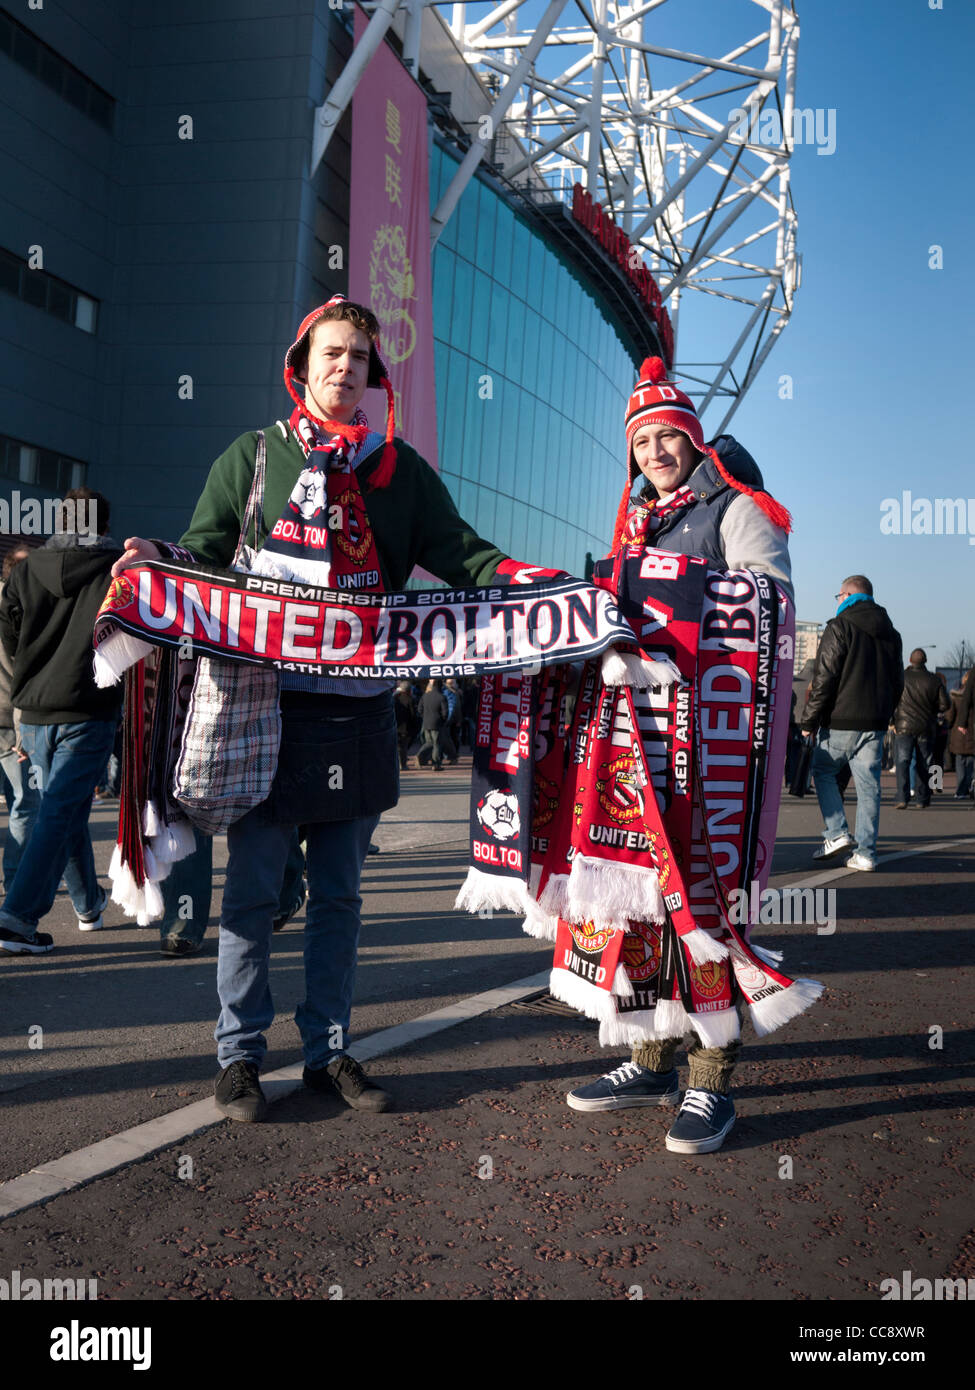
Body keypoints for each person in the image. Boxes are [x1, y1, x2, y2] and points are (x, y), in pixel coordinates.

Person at [112, 296, 518, 1121]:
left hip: (359, 712)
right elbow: (204, 547)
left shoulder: (398, 470)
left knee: (339, 896)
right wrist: (156, 559)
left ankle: (329, 1053)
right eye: (330, 354)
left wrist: (525, 580)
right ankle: (240, 1059)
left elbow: (461, 553)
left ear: (373, 377)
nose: (344, 368)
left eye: (359, 359)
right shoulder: (253, 454)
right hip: (265, 708)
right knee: (253, 896)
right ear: (301, 366)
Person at [566, 356, 793, 1154]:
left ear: (695, 442)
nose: (655, 451)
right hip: (643, 744)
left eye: (669, 437)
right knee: (641, 905)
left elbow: (769, 601)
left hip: (713, 746)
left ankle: (710, 1083)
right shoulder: (635, 520)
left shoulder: (734, 509)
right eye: (643, 441)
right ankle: (651, 1056)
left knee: (703, 908)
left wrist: (672, 598)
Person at [0, 490, 123, 953]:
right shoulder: (118, 572)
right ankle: (16, 919)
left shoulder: (27, 569)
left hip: (32, 710)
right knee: (59, 810)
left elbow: (8, 633)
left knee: (62, 810)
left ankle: (89, 904)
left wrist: (30, 676)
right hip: (88, 709)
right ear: (104, 524)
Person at [801, 576, 903, 868]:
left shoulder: (840, 625)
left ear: (846, 594)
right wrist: (885, 713)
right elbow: (898, 682)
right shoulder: (891, 633)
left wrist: (810, 720)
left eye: (838, 596)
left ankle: (836, 833)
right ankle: (866, 854)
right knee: (869, 787)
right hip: (875, 721)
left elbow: (825, 676)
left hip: (841, 719)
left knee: (823, 771)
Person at [0, 545, 40, 893]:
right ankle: (14, 885)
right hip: (10, 722)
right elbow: (21, 675)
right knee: (25, 806)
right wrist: (22, 732)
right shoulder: (21, 609)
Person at [891, 649, 950, 810]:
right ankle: (922, 797)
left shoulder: (901, 678)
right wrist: (931, 710)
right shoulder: (934, 680)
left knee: (903, 761)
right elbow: (945, 705)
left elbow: (892, 701)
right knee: (925, 762)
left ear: (910, 660)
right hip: (926, 726)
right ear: (925, 661)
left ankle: (902, 797)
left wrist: (892, 721)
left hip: (904, 726)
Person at [947, 670, 974, 800]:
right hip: (971, 733)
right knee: (969, 762)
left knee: (960, 762)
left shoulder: (955, 697)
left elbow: (950, 716)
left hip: (958, 733)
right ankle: (967, 786)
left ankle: (960, 789)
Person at [418, 679, 449, 771]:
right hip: (437, 723)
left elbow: (419, 709)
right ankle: (435, 764)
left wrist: (425, 717)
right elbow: (445, 713)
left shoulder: (425, 696)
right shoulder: (442, 697)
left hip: (426, 723)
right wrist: (443, 721)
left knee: (429, 742)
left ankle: (423, 757)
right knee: (436, 744)